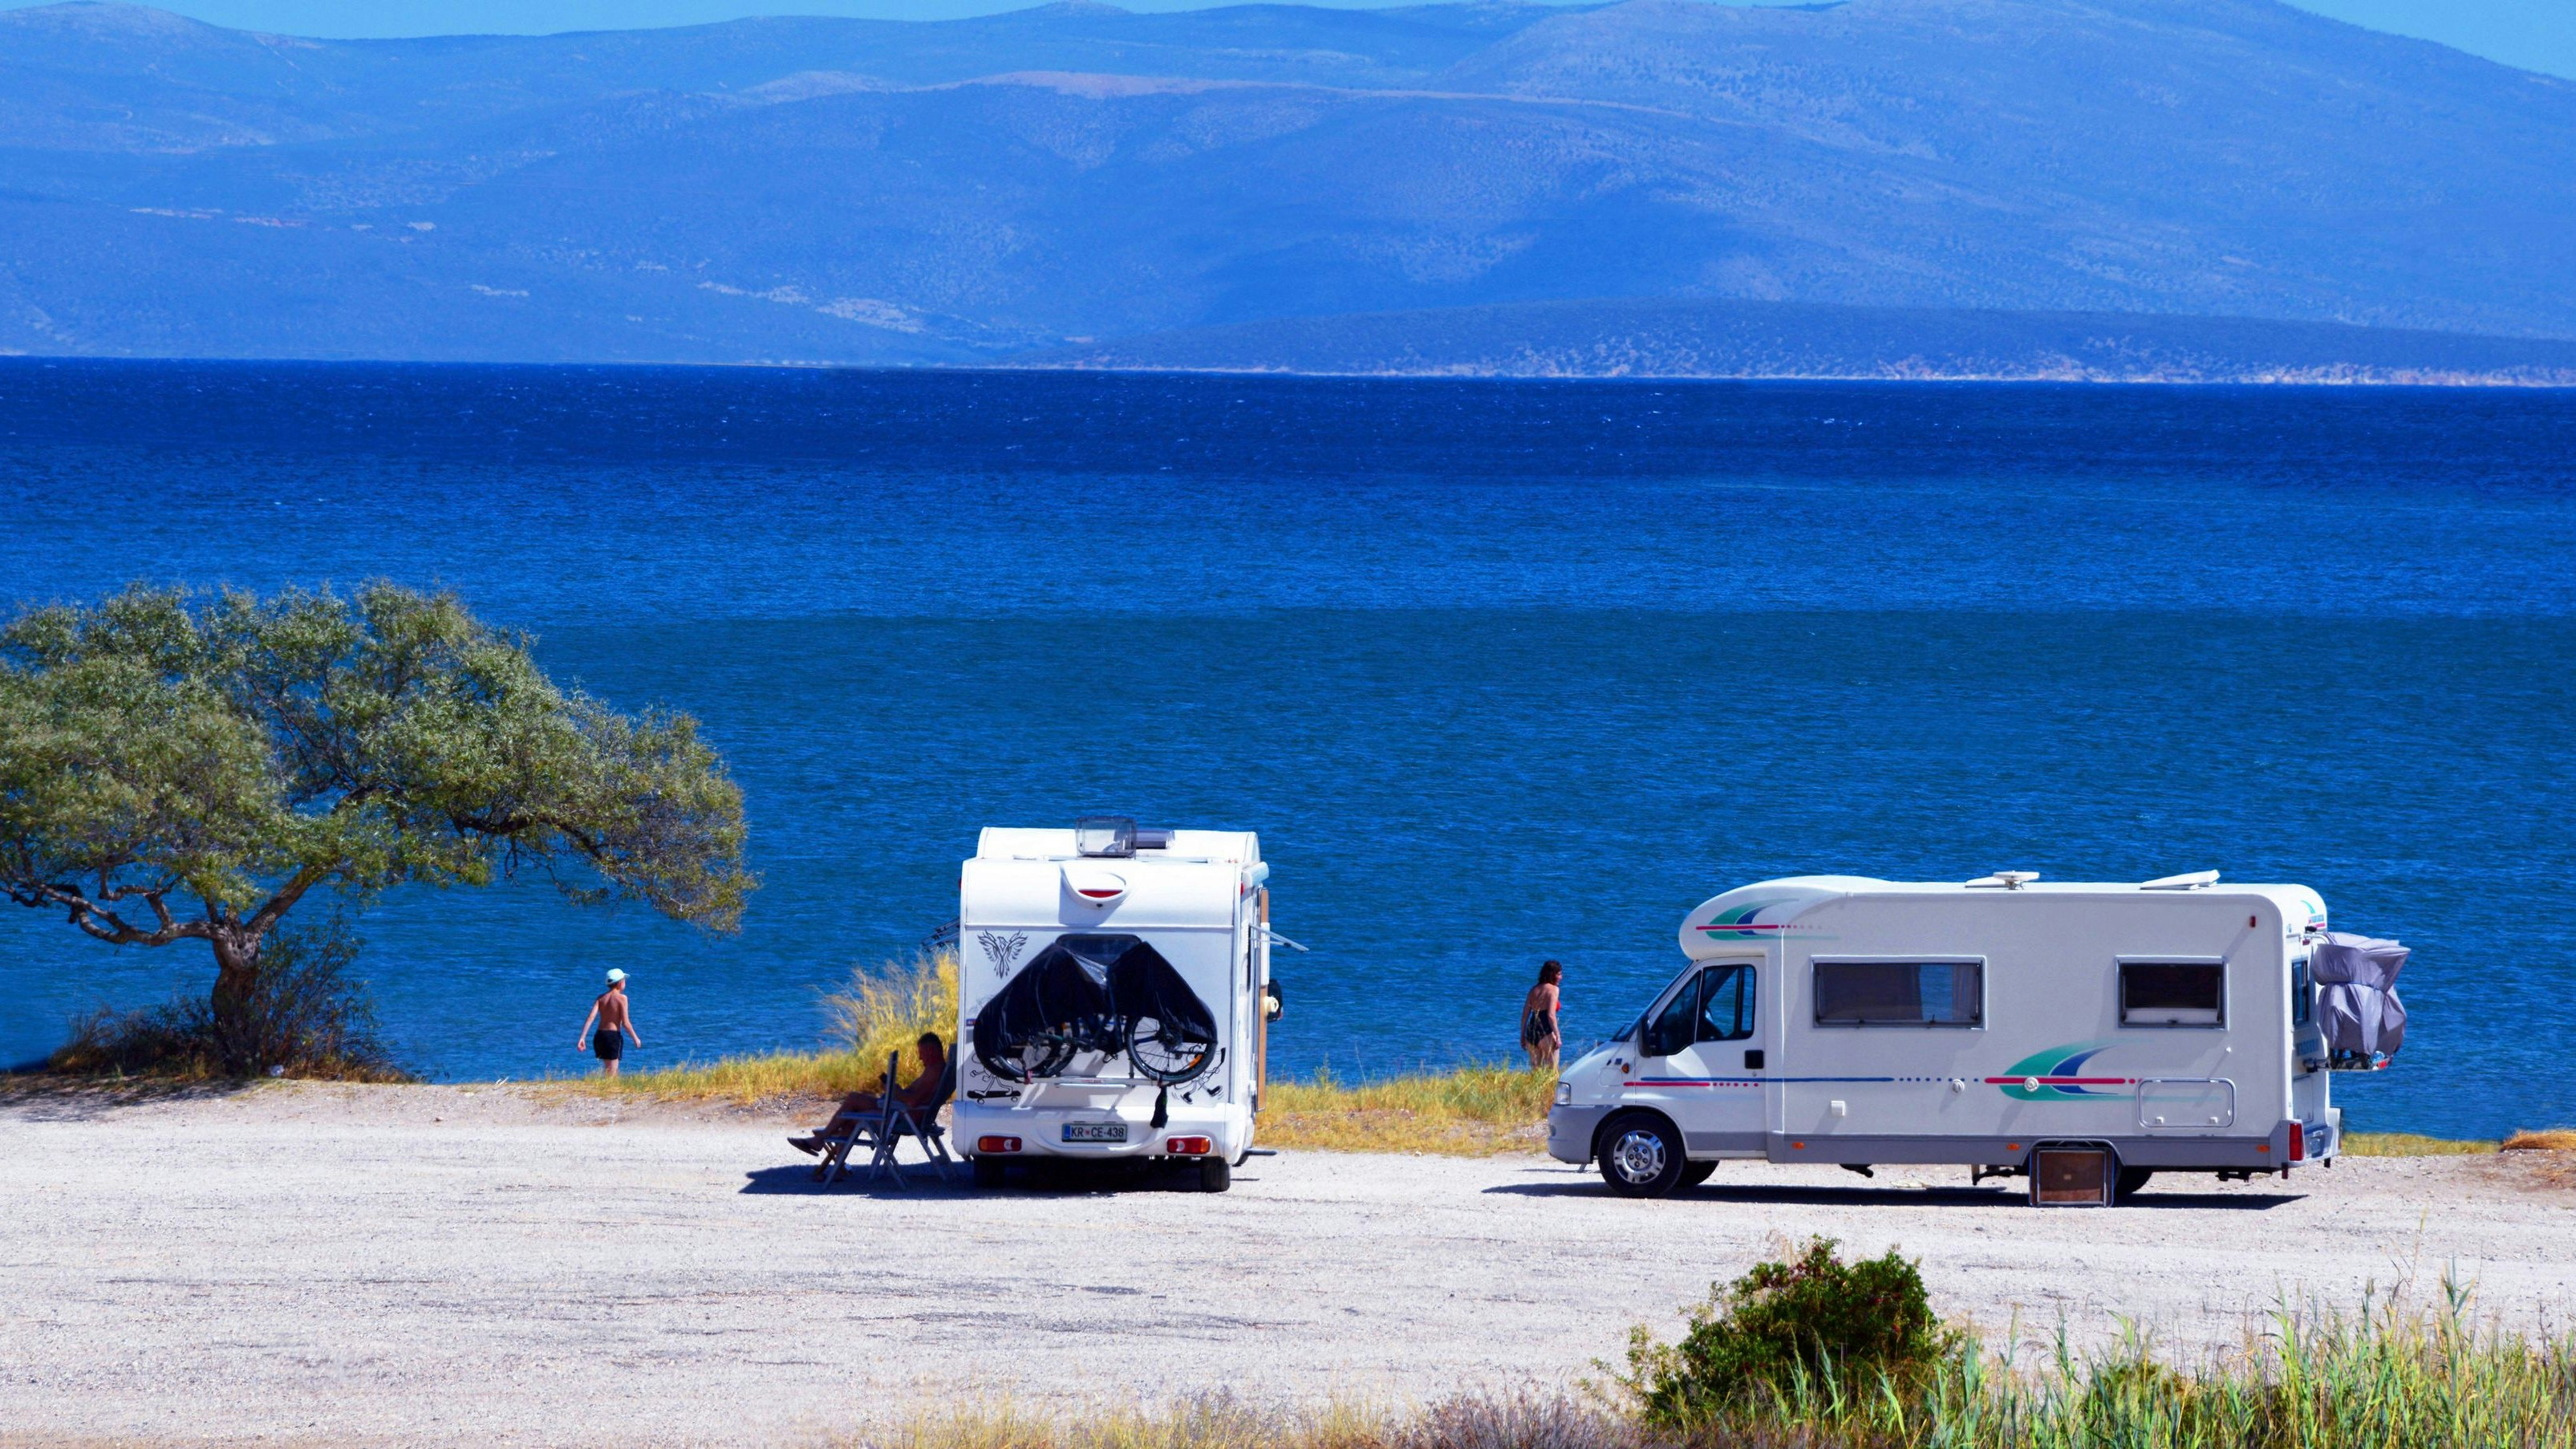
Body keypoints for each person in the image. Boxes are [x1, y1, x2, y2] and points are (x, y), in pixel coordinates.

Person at [789, 1033, 947, 1156]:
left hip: (902, 1118)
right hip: (900, 1112)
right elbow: (915, 1097)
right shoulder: (937, 1069)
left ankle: (824, 1142)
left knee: (850, 1115)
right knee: (853, 1099)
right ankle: (830, 1150)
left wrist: (893, 1090)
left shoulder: (933, 1071)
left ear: (931, 1050)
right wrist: (895, 1090)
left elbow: (912, 1102)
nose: (920, 1058)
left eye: (921, 1053)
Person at [578, 968, 642, 1076]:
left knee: (607, 1070)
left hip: (600, 1036)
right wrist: (635, 1038)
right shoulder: (622, 998)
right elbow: (626, 1022)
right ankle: (611, 1091)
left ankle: (606, 1089)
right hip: (612, 1036)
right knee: (613, 1072)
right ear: (620, 983)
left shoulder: (601, 998)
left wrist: (582, 1038)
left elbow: (591, 1017)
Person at [1520, 960, 1563, 1070]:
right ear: (1552, 975)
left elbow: (1525, 1015)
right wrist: (1558, 1036)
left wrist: (1522, 1035)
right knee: (1553, 1071)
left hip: (1531, 1031)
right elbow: (1551, 1015)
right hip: (1546, 1030)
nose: (1561, 977)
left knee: (1536, 1072)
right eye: (1559, 974)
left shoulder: (1533, 990)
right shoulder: (1554, 990)